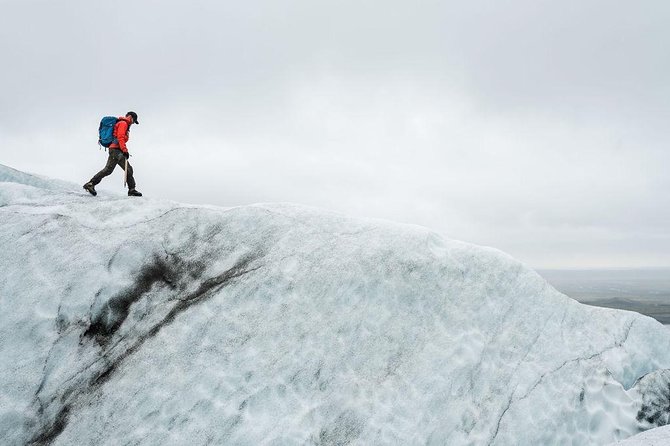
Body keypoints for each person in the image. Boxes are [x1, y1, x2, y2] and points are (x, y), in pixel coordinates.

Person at [84, 111, 142, 197]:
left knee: (108, 170)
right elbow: (120, 137)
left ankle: (90, 184)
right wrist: (125, 150)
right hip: (116, 150)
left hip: (115, 150)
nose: (133, 123)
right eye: (134, 121)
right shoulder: (123, 123)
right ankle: (131, 190)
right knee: (128, 169)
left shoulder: (122, 123)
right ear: (131, 117)